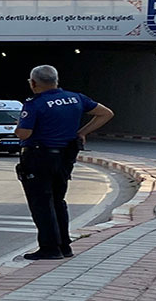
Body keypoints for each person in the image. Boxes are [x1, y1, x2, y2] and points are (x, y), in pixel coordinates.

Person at [14, 64, 113, 261]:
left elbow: (24, 133)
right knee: (58, 200)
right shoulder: (76, 98)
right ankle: (64, 245)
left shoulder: (35, 104)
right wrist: (82, 132)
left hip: (38, 157)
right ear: (56, 80)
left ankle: (50, 248)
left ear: (33, 83)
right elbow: (106, 113)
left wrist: (17, 128)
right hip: (65, 157)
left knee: (41, 203)